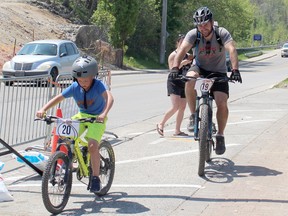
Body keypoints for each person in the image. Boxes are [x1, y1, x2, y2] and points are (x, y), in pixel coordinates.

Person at [36, 55, 114, 193]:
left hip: (97, 118)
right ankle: (67, 163)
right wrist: (43, 109)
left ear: (93, 76)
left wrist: (104, 114)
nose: (82, 82)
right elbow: (58, 98)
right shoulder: (74, 87)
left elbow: (110, 98)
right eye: (80, 80)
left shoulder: (98, 85)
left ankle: (95, 177)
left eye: (85, 80)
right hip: (82, 115)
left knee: (92, 145)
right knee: (64, 137)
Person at [170, 6, 242, 155]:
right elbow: (182, 50)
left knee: (222, 102)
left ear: (212, 22)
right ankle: (193, 115)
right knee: (189, 80)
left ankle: (220, 135)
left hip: (219, 71)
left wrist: (235, 70)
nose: (203, 27)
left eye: (205, 24)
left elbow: (232, 49)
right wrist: (175, 68)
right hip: (200, 68)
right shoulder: (193, 34)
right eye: (199, 24)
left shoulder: (221, 33)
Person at [157, 34, 193, 136]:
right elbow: (172, 69)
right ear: (177, 43)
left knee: (182, 107)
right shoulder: (173, 55)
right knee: (175, 106)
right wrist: (182, 63)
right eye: (181, 42)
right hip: (174, 81)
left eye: (185, 42)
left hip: (184, 81)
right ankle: (161, 124)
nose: (183, 44)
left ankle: (177, 130)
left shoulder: (188, 54)